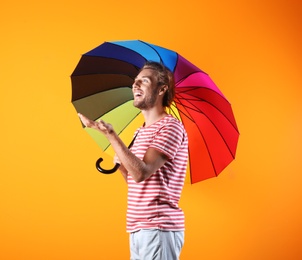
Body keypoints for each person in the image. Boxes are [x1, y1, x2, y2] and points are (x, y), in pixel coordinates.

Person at [78, 61, 188, 260]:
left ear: (162, 89)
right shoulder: (140, 131)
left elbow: (141, 173)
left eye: (143, 81)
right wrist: (120, 163)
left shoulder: (170, 127)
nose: (135, 86)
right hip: (138, 226)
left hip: (158, 226)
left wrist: (112, 136)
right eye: (135, 82)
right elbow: (134, 181)